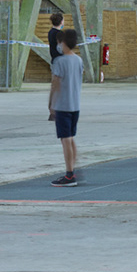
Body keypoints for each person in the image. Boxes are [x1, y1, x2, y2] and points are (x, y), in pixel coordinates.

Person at [48, 27, 84, 186]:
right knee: (71, 138)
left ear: (62, 43)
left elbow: (55, 84)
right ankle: (72, 168)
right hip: (75, 104)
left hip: (63, 104)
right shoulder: (78, 60)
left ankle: (69, 174)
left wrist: (51, 104)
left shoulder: (60, 62)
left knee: (65, 139)